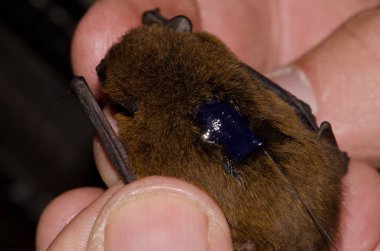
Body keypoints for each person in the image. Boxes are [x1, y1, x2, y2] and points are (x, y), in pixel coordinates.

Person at [36, 1, 380, 250]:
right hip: (319, 187)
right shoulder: (212, 57)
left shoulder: (147, 139)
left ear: (131, 106)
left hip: (268, 236)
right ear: (180, 33)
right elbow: (298, 107)